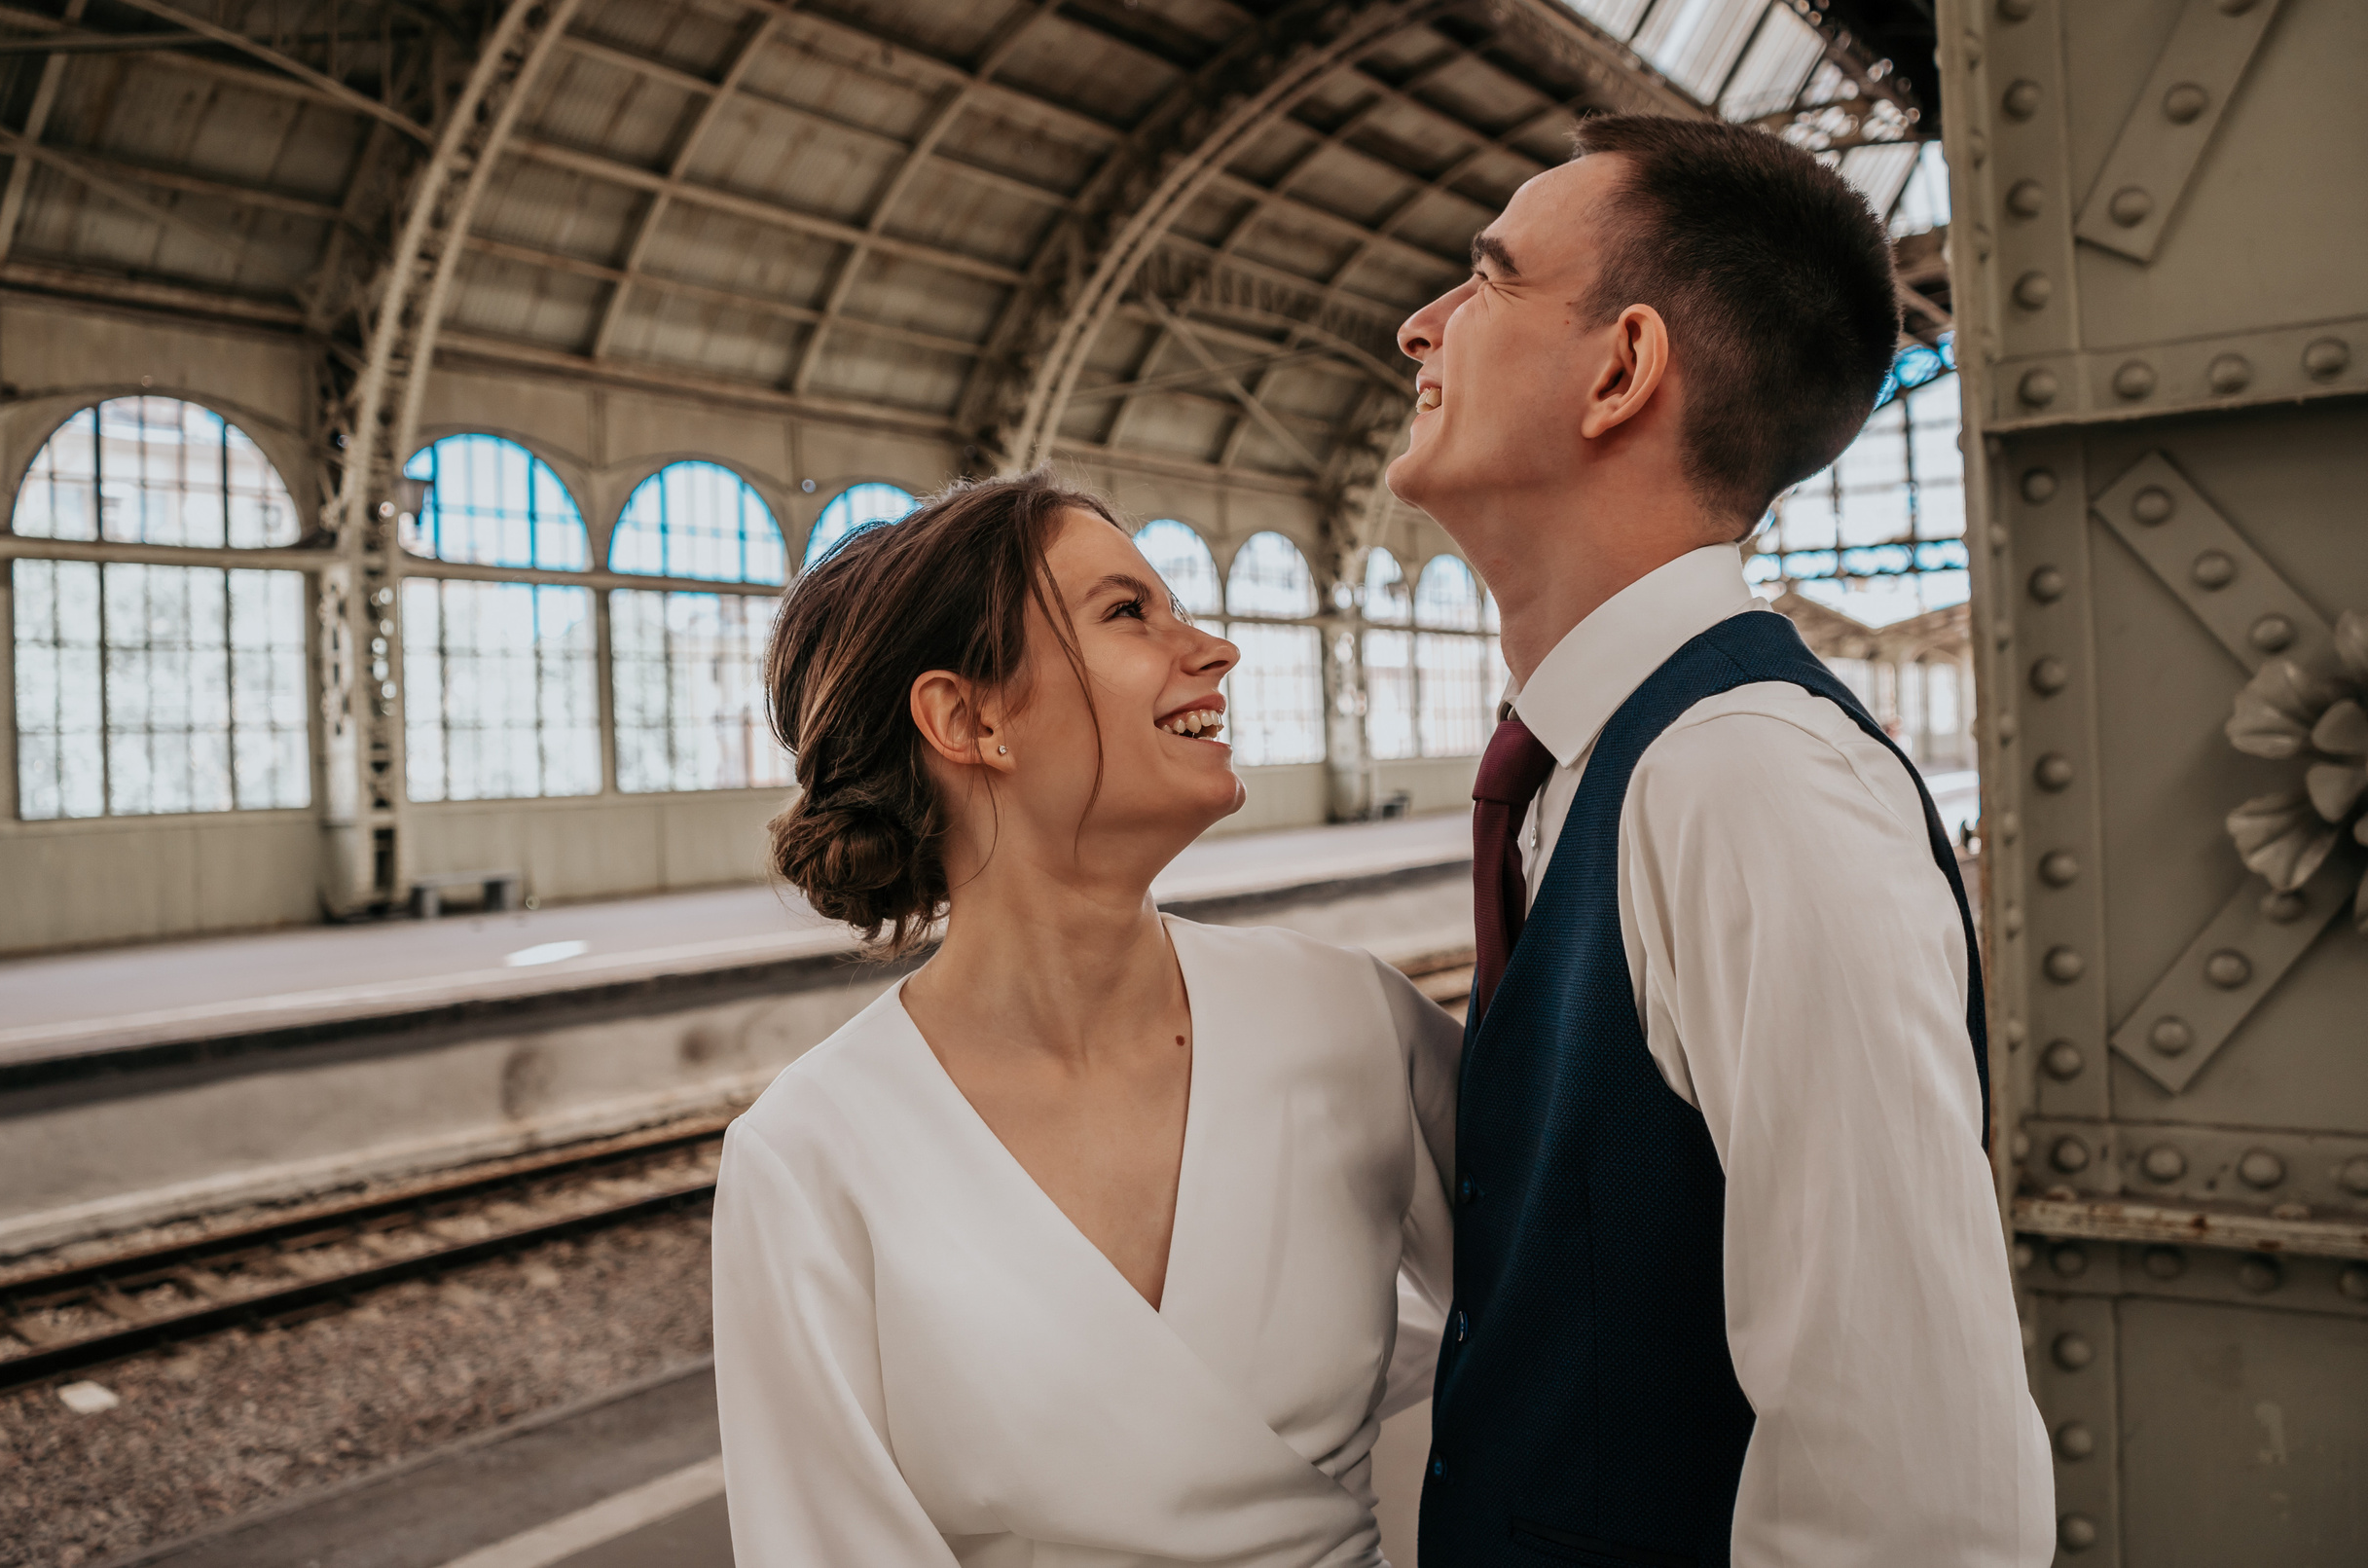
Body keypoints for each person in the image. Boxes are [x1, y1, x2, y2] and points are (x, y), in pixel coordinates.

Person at [1386, 116, 2055, 1566]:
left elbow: (1915, 1494)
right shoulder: (1602, 771)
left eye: (1486, 282)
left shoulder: (1748, 781)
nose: (1416, 326)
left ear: (1622, 371)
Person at [710, 472, 1460, 1566]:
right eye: (1128, 613)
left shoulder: (1348, 1020)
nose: (1213, 649)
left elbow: (1579, 1309)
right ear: (970, 719)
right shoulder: (810, 1157)